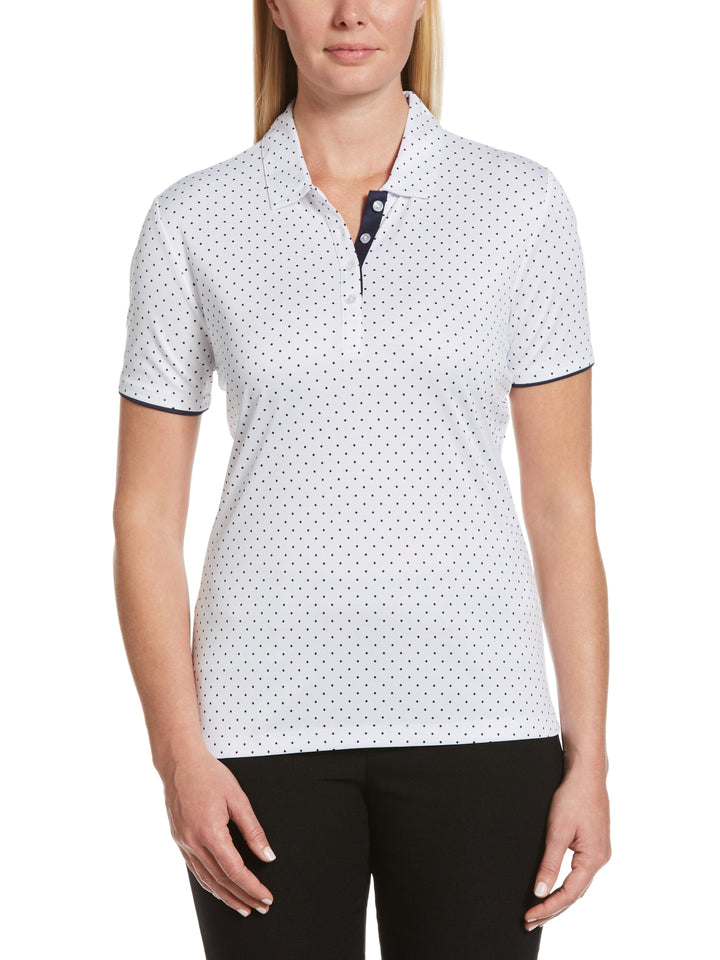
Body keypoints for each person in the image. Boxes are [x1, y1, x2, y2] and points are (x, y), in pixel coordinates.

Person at [112, 1, 611, 957]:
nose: (351, 12)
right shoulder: (193, 219)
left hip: (483, 718)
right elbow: (143, 517)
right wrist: (178, 756)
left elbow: (563, 502)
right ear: (273, 6)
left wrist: (588, 758)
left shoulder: (521, 205)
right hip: (255, 734)